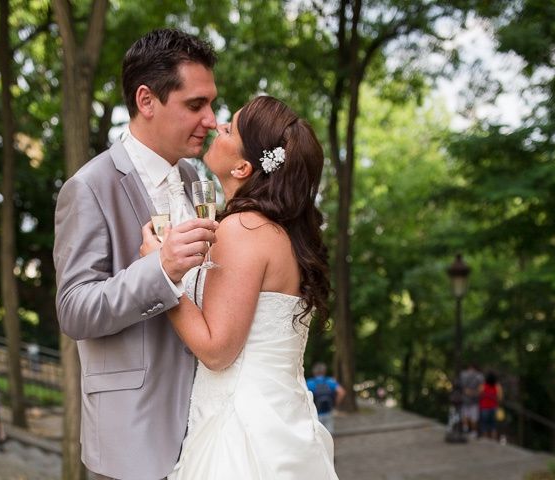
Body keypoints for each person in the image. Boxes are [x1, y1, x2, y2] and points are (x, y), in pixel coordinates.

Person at [141, 95, 338, 479]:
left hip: (241, 432)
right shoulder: (280, 233)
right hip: (281, 419)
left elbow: (217, 351)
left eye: (230, 128)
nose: (217, 126)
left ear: (244, 166)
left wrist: (160, 272)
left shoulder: (242, 229)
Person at [53, 29, 219, 480]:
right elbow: (73, 310)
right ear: (146, 101)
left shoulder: (195, 179)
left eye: (211, 104)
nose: (211, 119)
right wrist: (159, 270)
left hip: (207, 428)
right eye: (195, 105)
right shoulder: (88, 188)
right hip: (134, 438)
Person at [307, 362, 347, 434]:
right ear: (324, 371)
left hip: (315, 413)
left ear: (314, 372)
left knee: (317, 435)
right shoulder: (330, 381)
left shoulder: (309, 383)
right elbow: (342, 392)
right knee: (329, 435)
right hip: (328, 411)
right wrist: (335, 403)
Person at [459, 362, 484, 436]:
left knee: (465, 415)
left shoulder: (462, 374)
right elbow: (481, 389)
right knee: (473, 418)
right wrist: (474, 393)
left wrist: (467, 391)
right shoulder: (480, 376)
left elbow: (460, 387)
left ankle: (465, 429)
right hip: (474, 400)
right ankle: (473, 432)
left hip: (465, 399)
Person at [479, 371, 503, 440]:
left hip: (484, 407)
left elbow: (479, 393)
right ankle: (493, 439)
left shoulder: (483, 385)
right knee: (493, 425)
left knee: (484, 424)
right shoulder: (497, 386)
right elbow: (500, 398)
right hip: (494, 407)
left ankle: (485, 439)